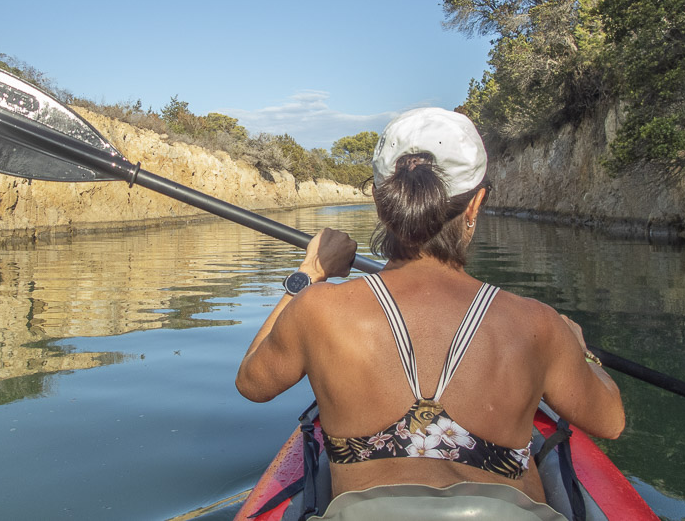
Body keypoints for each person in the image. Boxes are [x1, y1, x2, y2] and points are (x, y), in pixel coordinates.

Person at [236, 107, 625, 520]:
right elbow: (610, 421)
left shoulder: (318, 311)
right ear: (476, 203)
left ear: (381, 202)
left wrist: (309, 273)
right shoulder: (537, 325)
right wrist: (580, 350)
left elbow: (251, 382)